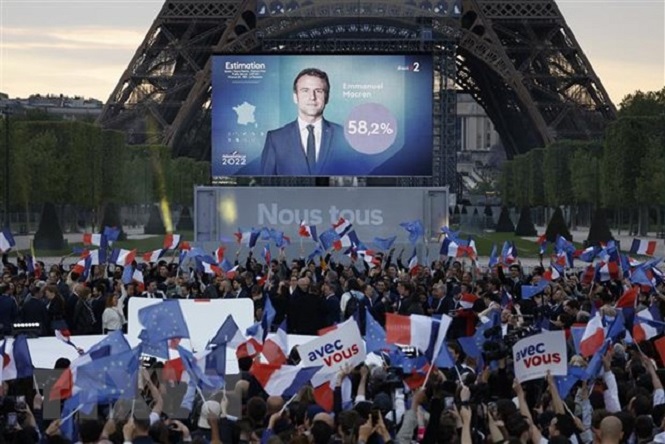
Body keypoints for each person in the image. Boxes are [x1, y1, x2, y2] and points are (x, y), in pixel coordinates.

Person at [260, 67, 358, 176]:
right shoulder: (276, 139)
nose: (312, 97)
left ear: (327, 97)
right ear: (295, 97)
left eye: (318, 91)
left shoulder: (345, 137)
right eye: (305, 90)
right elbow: (265, 184)